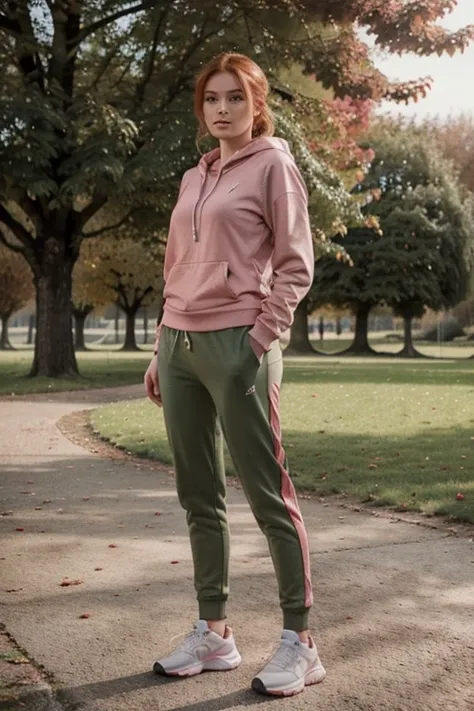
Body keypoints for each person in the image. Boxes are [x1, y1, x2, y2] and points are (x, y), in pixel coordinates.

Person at [144, 52, 325, 698]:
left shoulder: (274, 165)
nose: (222, 108)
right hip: (181, 345)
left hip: (240, 344)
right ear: (203, 109)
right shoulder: (195, 177)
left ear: (256, 105)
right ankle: (214, 632)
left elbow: (296, 263)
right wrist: (161, 342)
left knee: (267, 492)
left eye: (235, 98)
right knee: (199, 495)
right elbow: (175, 265)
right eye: (212, 99)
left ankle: (300, 641)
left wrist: (259, 340)